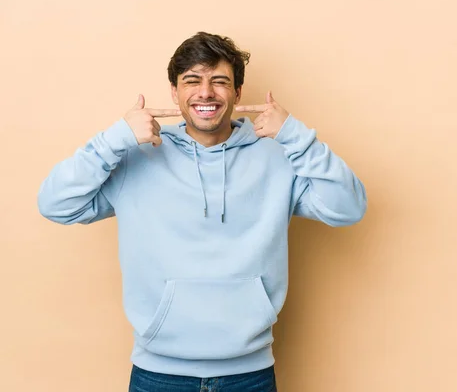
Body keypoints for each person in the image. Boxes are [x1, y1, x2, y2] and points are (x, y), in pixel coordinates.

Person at [37, 31, 367, 392]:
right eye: (192, 81)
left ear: (238, 93)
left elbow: (348, 208)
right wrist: (115, 138)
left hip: (249, 374)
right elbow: (56, 204)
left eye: (220, 81)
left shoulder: (278, 156)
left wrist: (295, 134)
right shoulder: (136, 157)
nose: (206, 93)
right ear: (174, 91)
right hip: (157, 374)